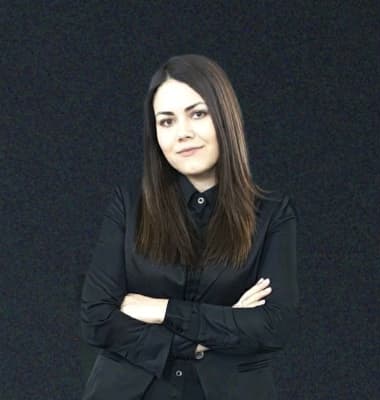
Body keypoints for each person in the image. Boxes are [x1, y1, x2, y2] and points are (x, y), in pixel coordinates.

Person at [80, 54, 299, 400]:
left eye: (198, 114)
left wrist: (160, 310)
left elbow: (273, 327)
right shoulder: (129, 205)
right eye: (166, 121)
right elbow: (96, 318)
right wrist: (207, 335)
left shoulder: (272, 215)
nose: (183, 133)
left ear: (224, 117)